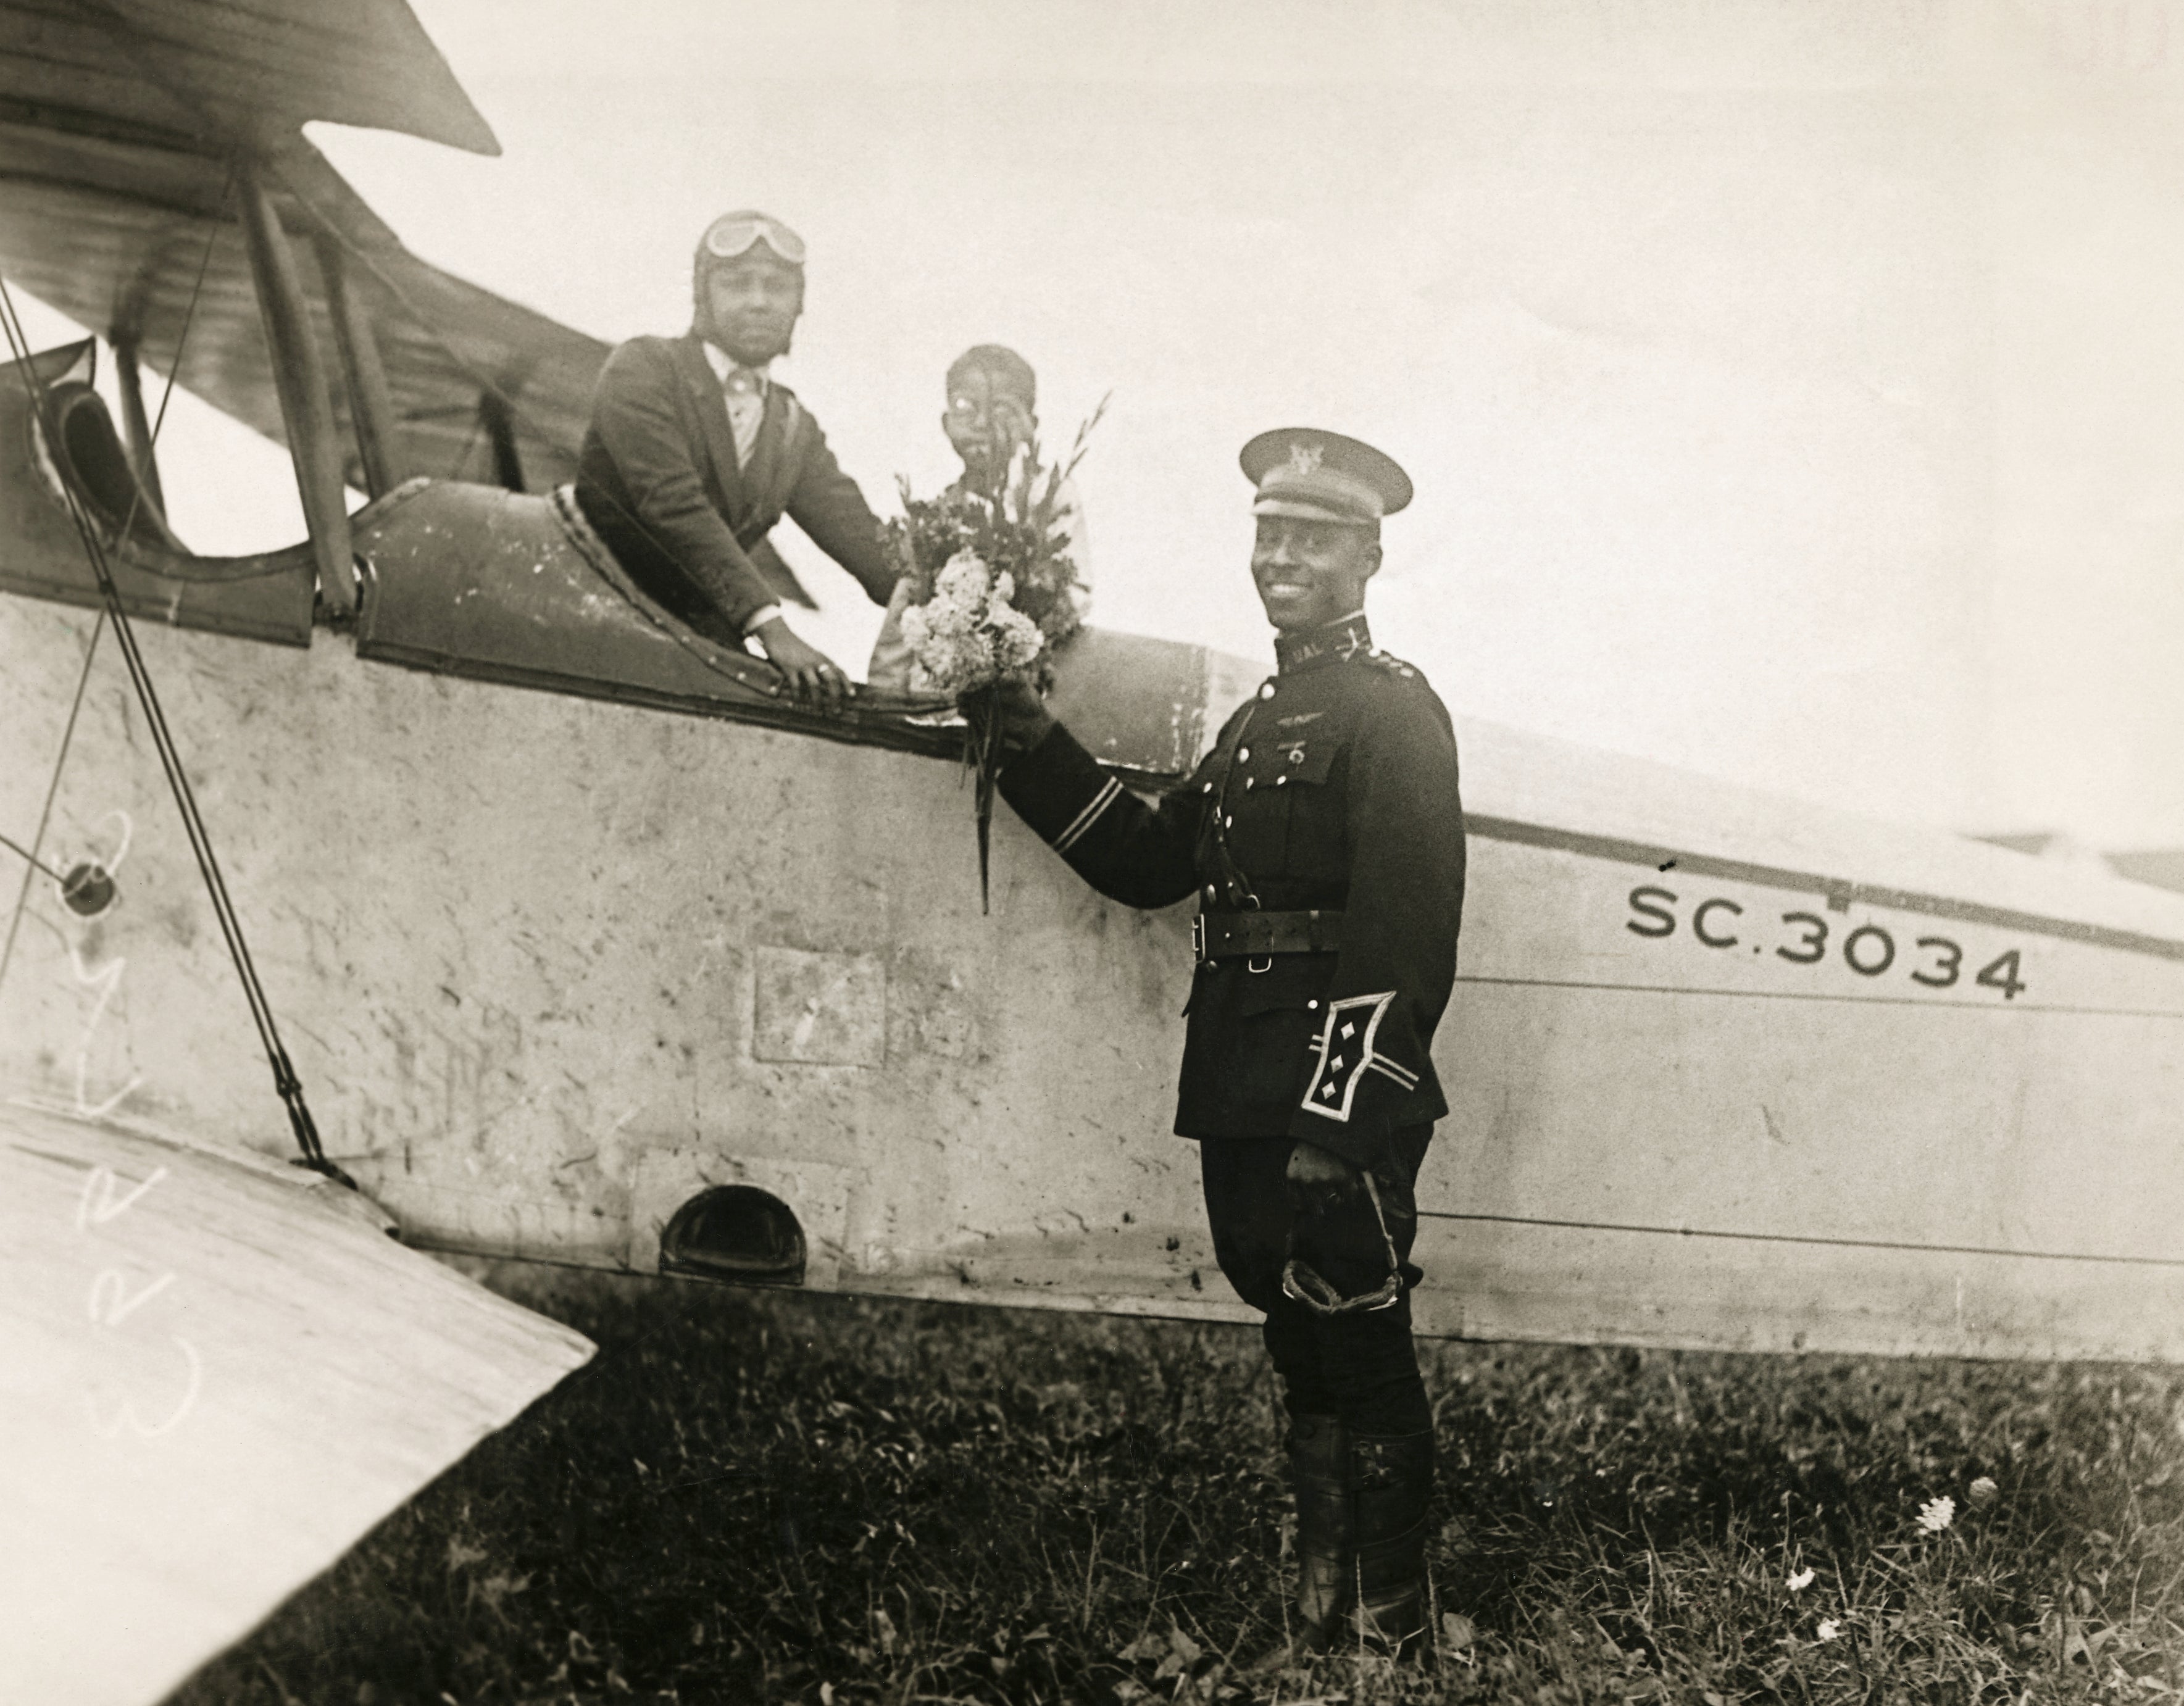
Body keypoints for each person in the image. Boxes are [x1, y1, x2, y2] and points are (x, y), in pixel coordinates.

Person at [989, 429, 1464, 1661]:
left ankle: (1387, 1634)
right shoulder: (1260, 718)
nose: (1282, 558)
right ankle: (1317, 1613)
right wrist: (1027, 736)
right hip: (1238, 1079)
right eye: (1268, 534)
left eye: (1310, 537)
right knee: (1298, 1346)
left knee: (1356, 1342)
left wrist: (1335, 1117)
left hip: (1320, 1091)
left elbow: (1403, 933)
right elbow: (1151, 864)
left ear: (1366, 554)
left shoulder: (1391, 711)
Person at [574, 210, 899, 708]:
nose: (758, 302)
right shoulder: (644, 367)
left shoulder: (792, 425)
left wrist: (974, 598)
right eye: (737, 283)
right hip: (586, 626)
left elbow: (862, 540)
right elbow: (674, 505)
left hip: (696, 646)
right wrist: (771, 626)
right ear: (703, 294)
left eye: (777, 287)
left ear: (800, 305)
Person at [866, 344, 1089, 691]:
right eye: (965, 408)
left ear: (1031, 425)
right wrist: (884, 697)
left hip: (1027, 683)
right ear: (945, 423)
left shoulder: (1047, 496)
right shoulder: (939, 517)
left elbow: (1075, 595)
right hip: (945, 690)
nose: (983, 424)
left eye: (1003, 409)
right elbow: (903, 618)